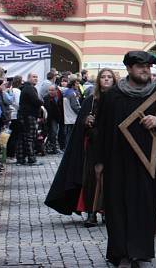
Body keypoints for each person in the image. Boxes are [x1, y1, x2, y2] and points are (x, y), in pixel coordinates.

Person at [95, 51, 156, 268]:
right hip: (117, 161)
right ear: (129, 69)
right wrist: (99, 161)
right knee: (118, 206)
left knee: (144, 205)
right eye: (140, 66)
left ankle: (139, 252)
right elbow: (101, 130)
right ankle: (121, 253)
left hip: (148, 162)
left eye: (148, 67)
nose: (145, 70)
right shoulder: (112, 96)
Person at [45, 68, 116, 226]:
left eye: (109, 77)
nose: (106, 79)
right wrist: (86, 120)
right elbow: (80, 125)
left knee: (110, 179)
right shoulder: (90, 100)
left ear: (114, 80)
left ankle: (107, 212)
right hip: (93, 145)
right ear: (98, 81)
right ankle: (91, 212)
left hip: (112, 146)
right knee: (91, 178)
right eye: (103, 77)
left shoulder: (119, 101)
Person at [16, 67, 43, 166]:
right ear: (29, 78)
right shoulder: (30, 88)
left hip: (24, 115)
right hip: (28, 116)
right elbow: (36, 101)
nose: (36, 78)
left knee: (23, 138)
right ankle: (31, 159)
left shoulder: (25, 88)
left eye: (36, 77)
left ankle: (21, 159)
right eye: (34, 77)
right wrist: (42, 102)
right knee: (29, 138)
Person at [43, 82, 64, 154]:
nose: (50, 92)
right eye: (49, 90)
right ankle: (53, 147)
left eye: (52, 90)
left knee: (55, 133)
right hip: (50, 118)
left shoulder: (59, 96)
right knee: (53, 132)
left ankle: (53, 147)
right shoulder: (46, 98)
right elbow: (47, 109)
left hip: (58, 117)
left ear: (56, 91)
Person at [61, 76, 81, 148]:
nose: (78, 85)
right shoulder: (72, 93)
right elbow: (75, 106)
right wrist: (81, 113)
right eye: (77, 83)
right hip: (73, 117)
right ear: (73, 84)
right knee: (71, 136)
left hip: (68, 117)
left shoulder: (66, 92)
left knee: (68, 135)